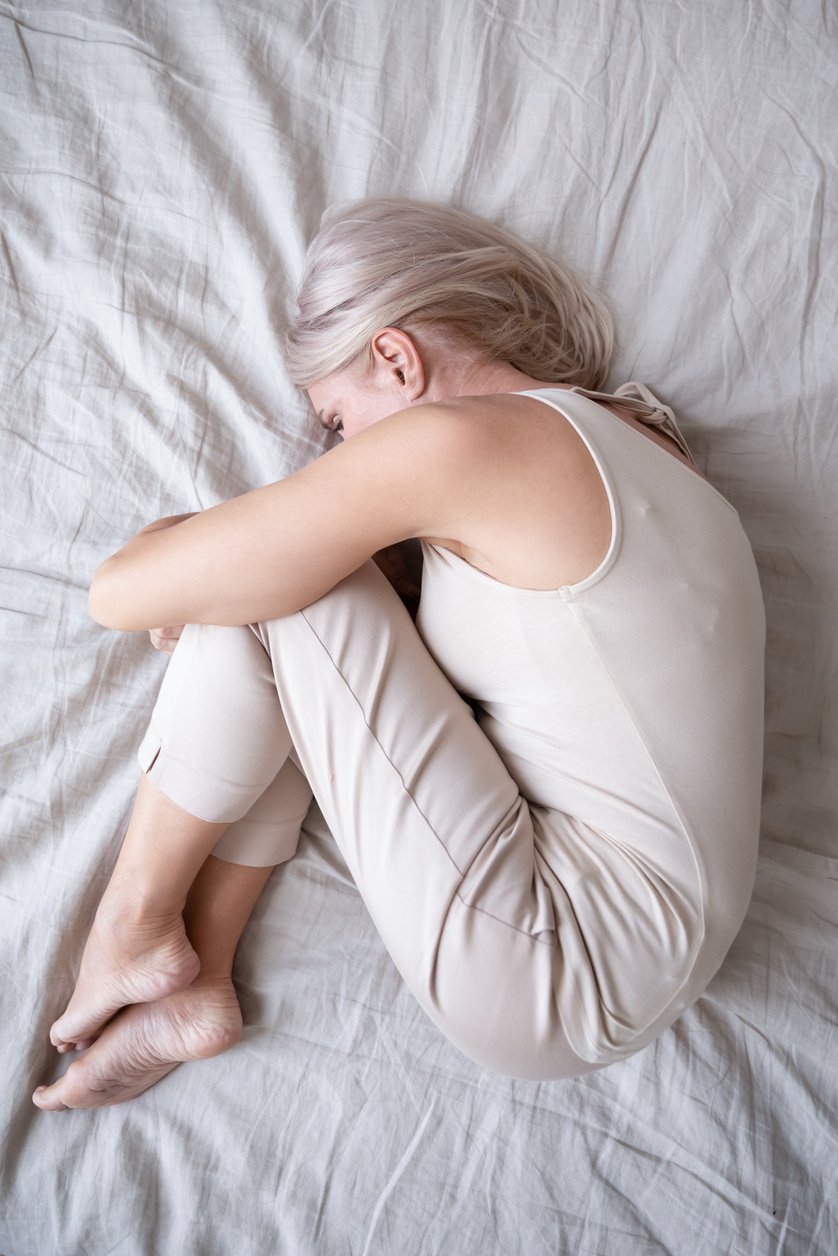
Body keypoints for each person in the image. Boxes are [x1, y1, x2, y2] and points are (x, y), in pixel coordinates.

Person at [33, 197, 766, 1111]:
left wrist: (185, 541)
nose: (336, 453)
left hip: (561, 961)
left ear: (395, 356)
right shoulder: (637, 436)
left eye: (337, 423)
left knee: (288, 580)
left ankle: (132, 923)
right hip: (637, 945)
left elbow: (117, 592)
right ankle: (196, 979)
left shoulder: (456, 445)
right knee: (288, 589)